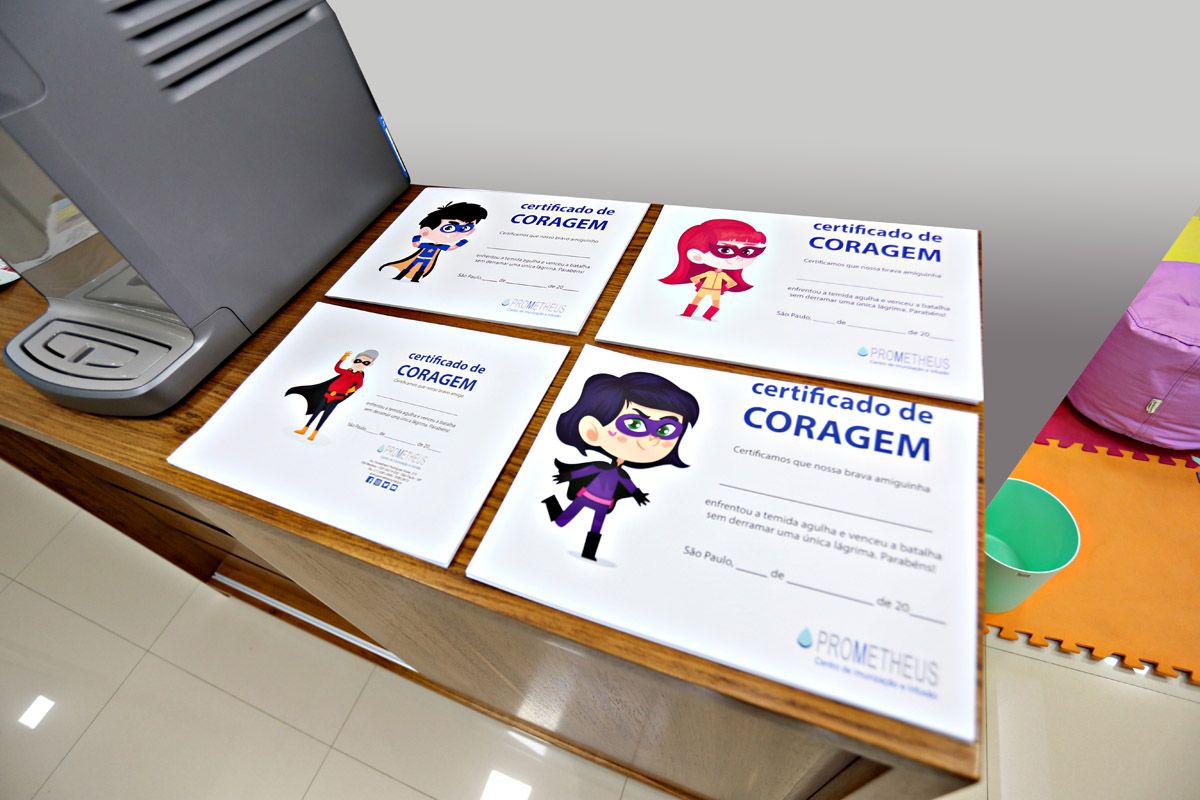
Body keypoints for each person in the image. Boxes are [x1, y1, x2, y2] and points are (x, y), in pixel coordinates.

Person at [543, 371, 700, 561]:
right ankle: (551, 503)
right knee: (563, 519)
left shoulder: (622, 475)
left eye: (665, 429)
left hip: (604, 503)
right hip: (586, 495)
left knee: (597, 526)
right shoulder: (600, 467)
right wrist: (566, 477)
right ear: (592, 430)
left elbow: (628, 485)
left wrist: (638, 495)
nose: (652, 439)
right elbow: (585, 472)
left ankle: (589, 552)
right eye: (634, 424)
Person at [659, 218, 766, 320]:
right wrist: (699, 285)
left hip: (716, 291)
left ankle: (707, 317)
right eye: (725, 250)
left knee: (715, 305)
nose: (738, 258)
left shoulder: (722, 275)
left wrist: (723, 288)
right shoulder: (710, 273)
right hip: (704, 289)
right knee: (696, 301)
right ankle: (687, 313)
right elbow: (695, 278)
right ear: (696, 256)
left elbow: (731, 282)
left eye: (747, 251)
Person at [378, 201, 488, 282]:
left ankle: (415, 279)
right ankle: (399, 277)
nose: (457, 233)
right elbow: (415, 245)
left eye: (465, 228)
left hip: (428, 261)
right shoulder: (427, 244)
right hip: (419, 258)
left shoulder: (440, 246)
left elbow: (450, 248)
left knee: (422, 269)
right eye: (449, 228)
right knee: (410, 266)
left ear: (470, 231)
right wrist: (417, 237)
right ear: (426, 231)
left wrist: (460, 243)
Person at [286, 349, 378, 441]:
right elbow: (337, 368)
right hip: (328, 395)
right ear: (353, 360)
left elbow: (359, 385)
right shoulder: (347, 371)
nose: (360, 364)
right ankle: (304, 429)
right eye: (358, 361)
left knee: (325, 416)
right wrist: (343, 358)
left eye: (365, 363)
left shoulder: (359, 375)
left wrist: (348, 391)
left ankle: (313, 434)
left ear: (369, 365)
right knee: (316, 413)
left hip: (337, 397)